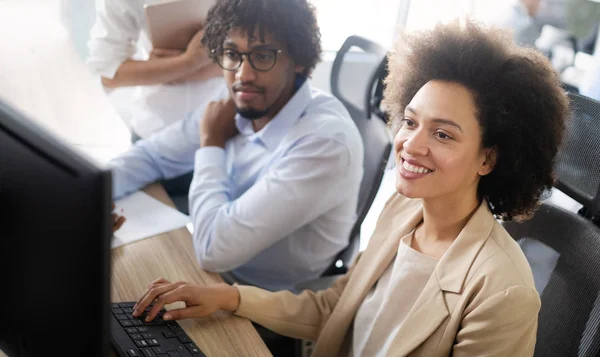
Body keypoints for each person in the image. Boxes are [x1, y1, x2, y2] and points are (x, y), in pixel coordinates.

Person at [131, 19, 569, 357]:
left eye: (443, 134)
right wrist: (226, 297)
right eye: (411, 121)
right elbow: (333, 311)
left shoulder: (500, 290)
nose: (410, 144)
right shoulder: (402, 210)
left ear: (489, 158)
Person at [108, 0, 364, 292]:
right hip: (217, 268)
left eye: (263, 56)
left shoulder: (324, 144)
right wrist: (92, 196)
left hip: (259, 297)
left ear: (298, 60)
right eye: (232, 54)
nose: (243, 74)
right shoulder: (242, 95)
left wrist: (210, 144)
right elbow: (153, 155)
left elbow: (212, 250)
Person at [87, 0, 227, 141]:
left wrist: (178, 68)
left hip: (230, 131)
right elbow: (108, 73)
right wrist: (188, 62)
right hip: (155, 129)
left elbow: (249, 54)